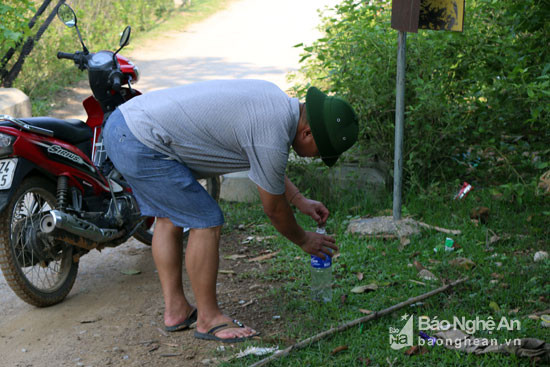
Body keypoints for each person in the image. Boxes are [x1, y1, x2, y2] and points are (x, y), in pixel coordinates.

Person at [103, 79, 358, 342]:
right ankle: (208, 319)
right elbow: (273, 208)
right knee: (206, 220)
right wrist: (304, 239)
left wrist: (299, 199)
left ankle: (176, 311)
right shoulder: (273, 131)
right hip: (141, 140)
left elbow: (264, 163)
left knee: (169, 218)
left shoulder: (274, 103)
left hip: (125, 125)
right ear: (307, 134)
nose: (316, 157)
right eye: (320, 152)